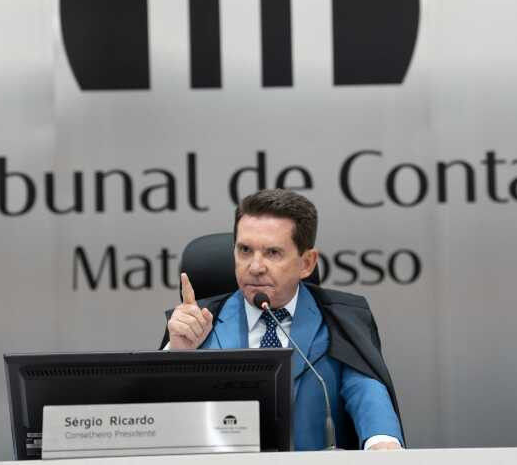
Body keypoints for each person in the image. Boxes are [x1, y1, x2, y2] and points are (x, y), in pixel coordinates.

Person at [162, 189, 405, 450]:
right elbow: (156, 426)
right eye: (245, 250)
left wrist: (382, 442)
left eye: (273, 253)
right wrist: (175, 356)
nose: (255, 267)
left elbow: (366, 392)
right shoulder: (197, 322)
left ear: (307, 263)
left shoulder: (340, 320)